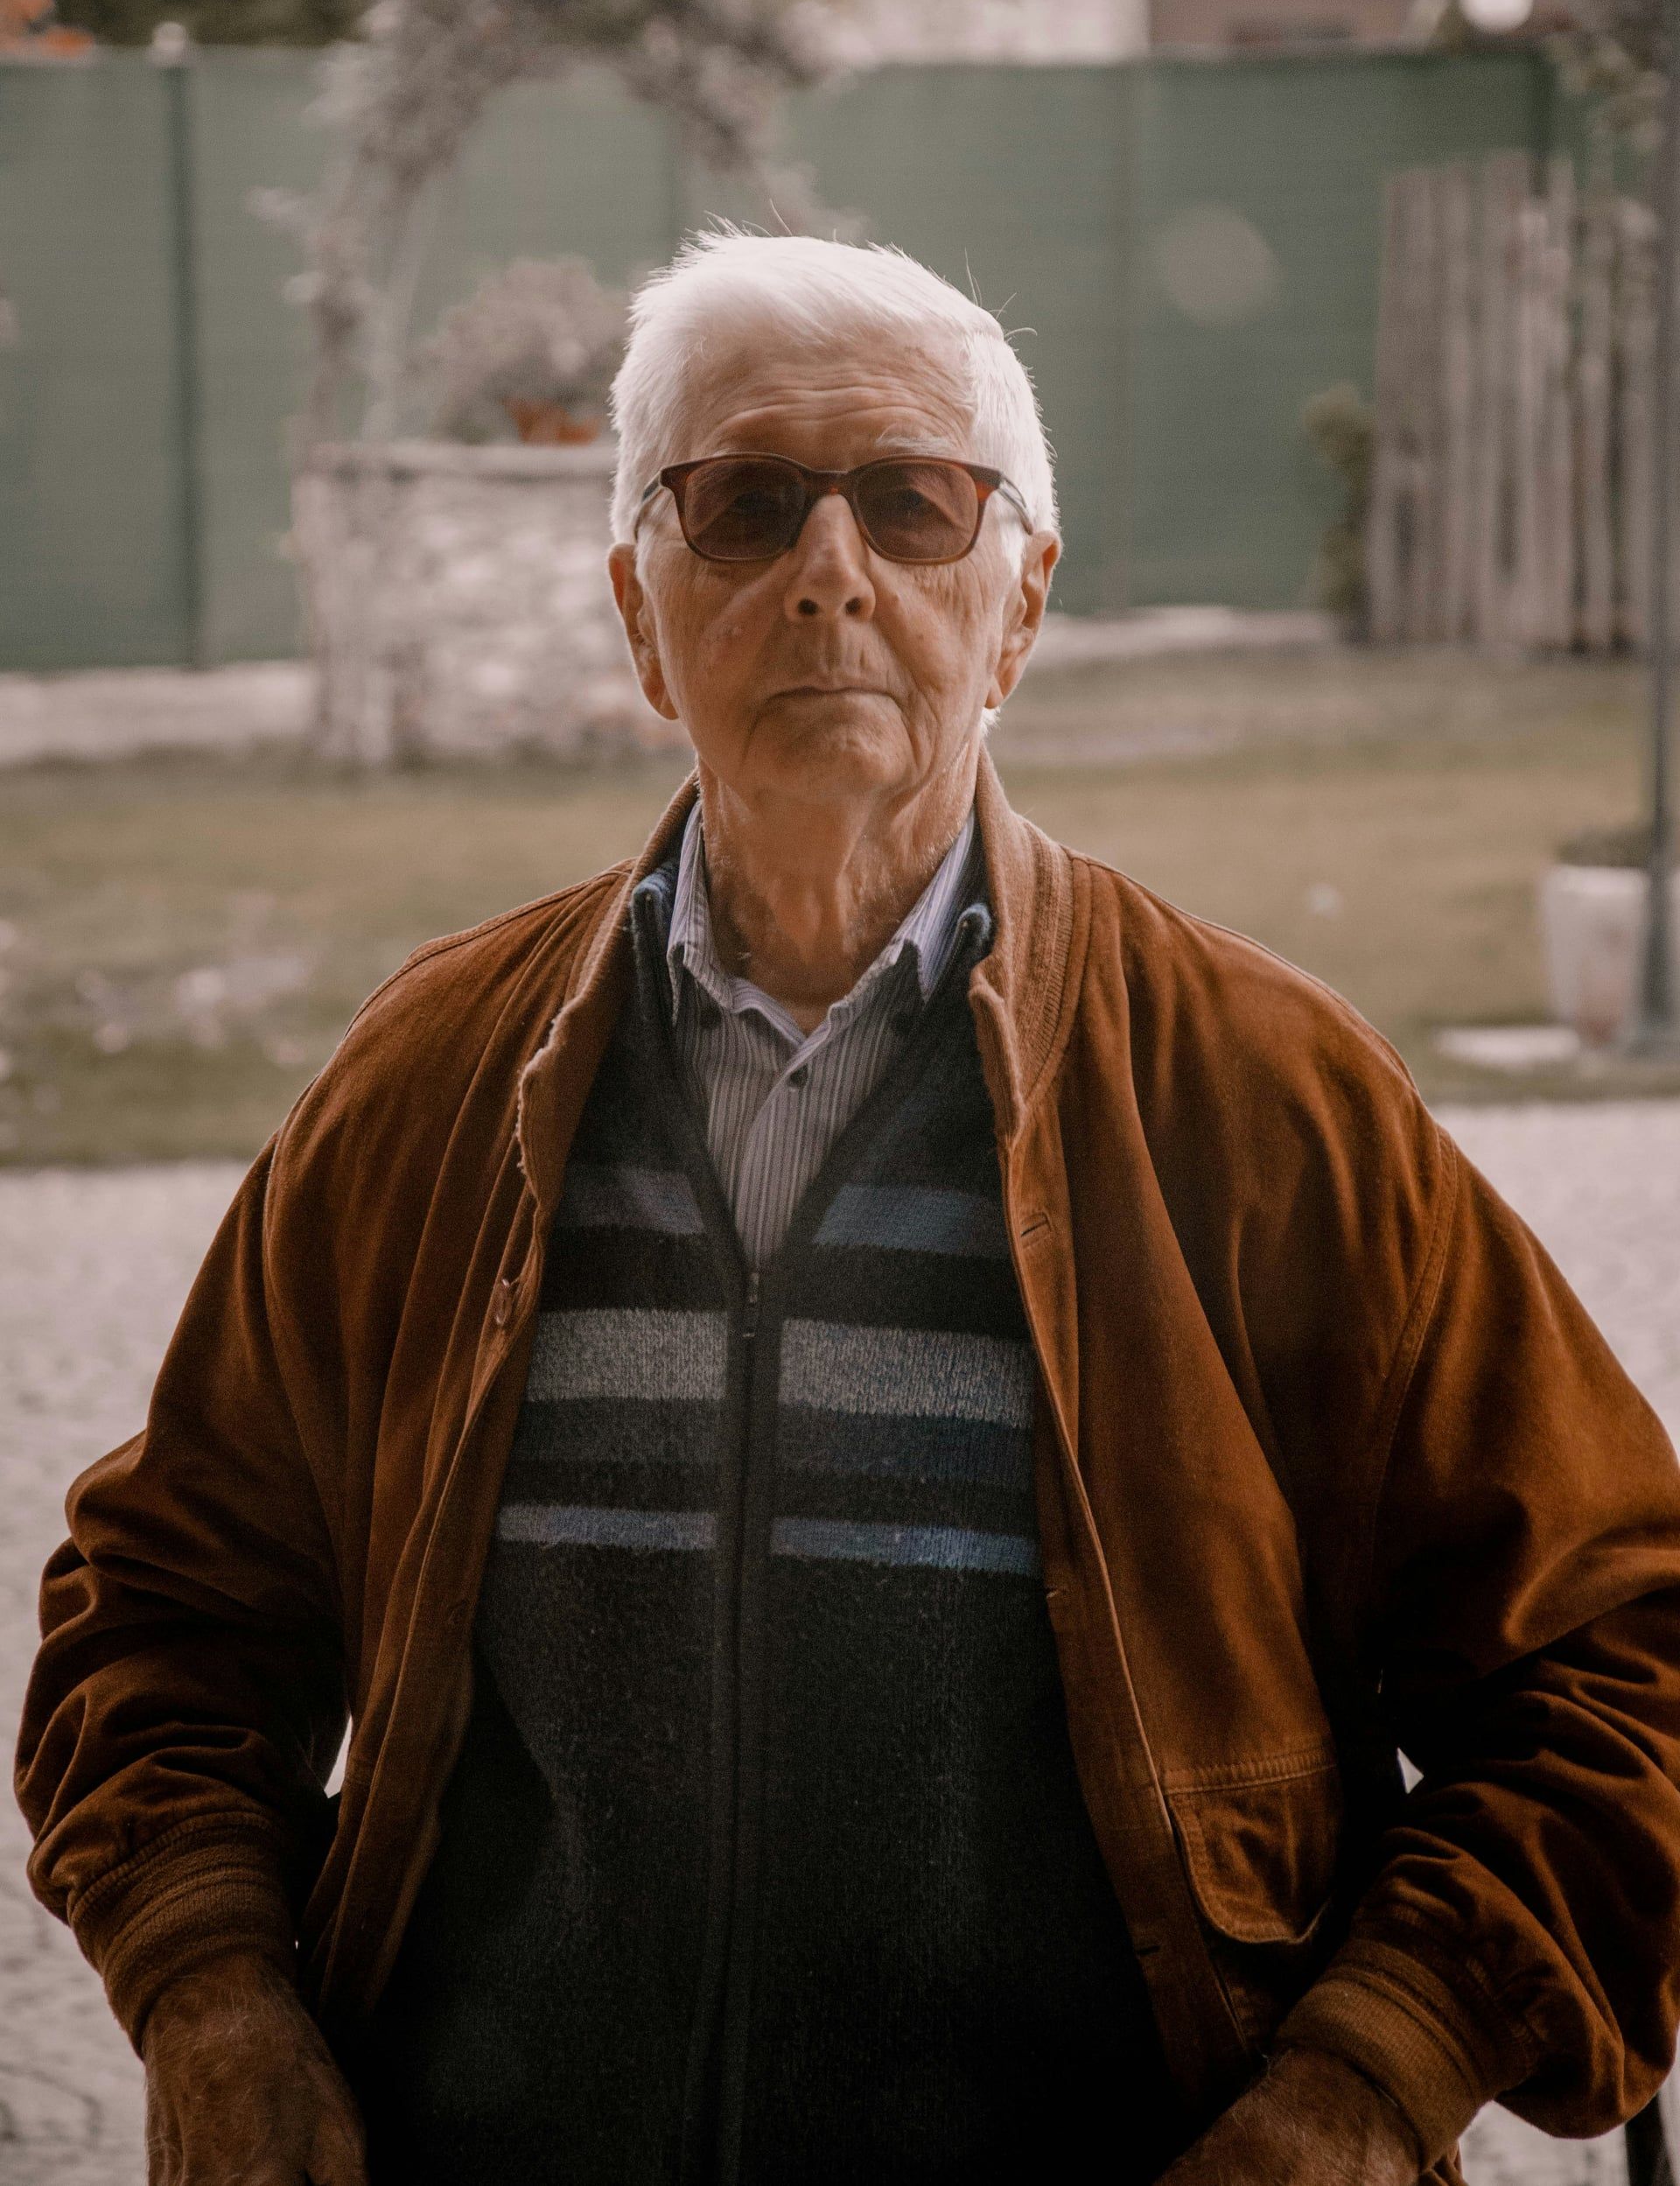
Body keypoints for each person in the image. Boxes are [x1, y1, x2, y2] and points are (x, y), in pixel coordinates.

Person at [18, 232, 1680, 2186]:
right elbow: (169, 1617)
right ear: (643, 616)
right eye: (740, 506)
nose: (832, 568)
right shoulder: (428, 1084)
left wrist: (1369, 2083)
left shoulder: (1263, 1094)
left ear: (1020, 603)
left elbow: (1616, 1661)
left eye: (912, 502)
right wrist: (212, 1992)